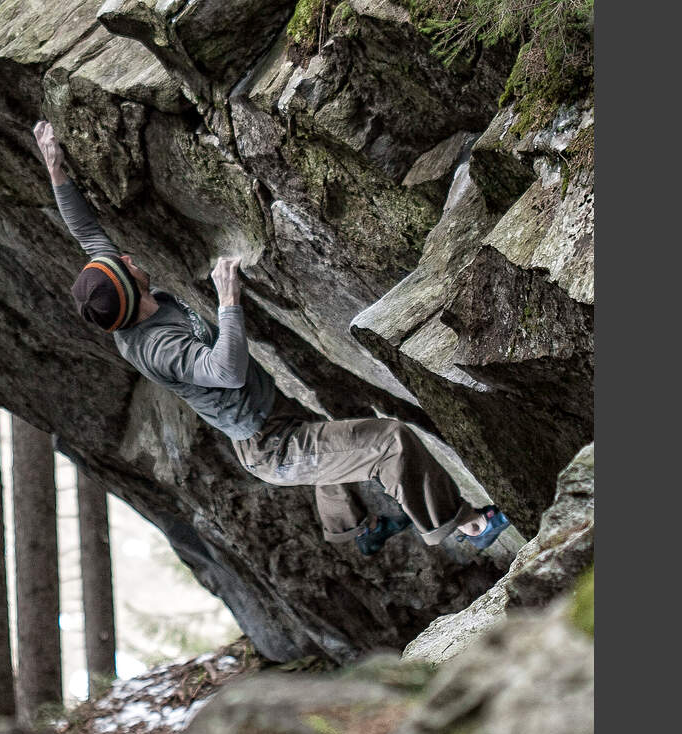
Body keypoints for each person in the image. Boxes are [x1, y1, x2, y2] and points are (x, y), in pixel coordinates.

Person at [33, 121, 510, 555]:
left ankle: (358, 531)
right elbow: (225, 369)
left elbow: (87, 232)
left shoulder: (122, 301)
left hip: (272, 413)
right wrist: (228, 301)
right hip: (269, 445)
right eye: (126, 264)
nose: (130, 255)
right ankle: (465, 525)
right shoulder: (157, 348)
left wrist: (55, 169)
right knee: (390, 442)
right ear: (128, 288)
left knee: (339, 437)